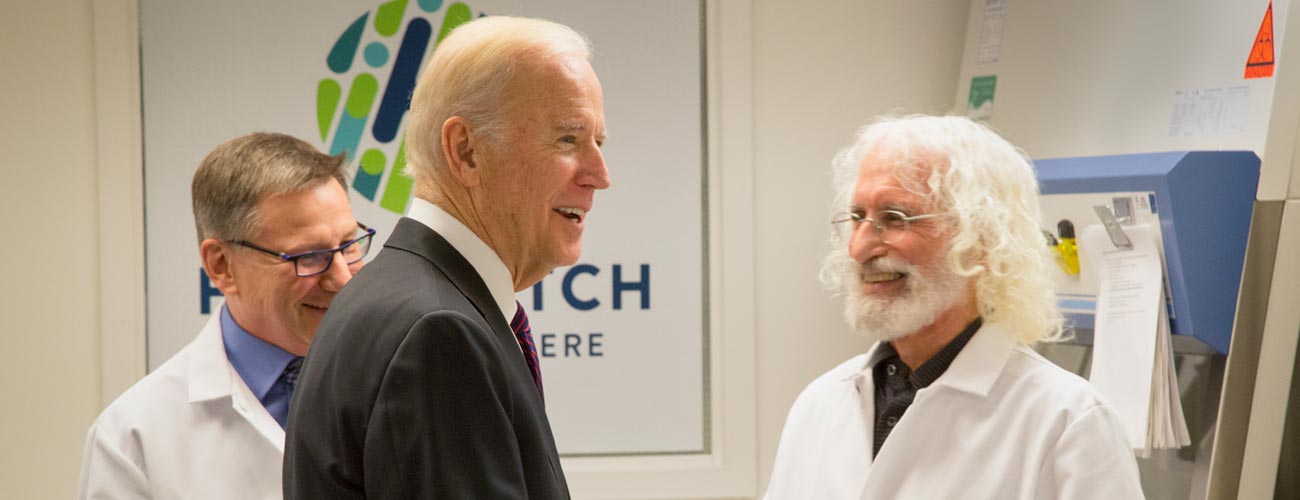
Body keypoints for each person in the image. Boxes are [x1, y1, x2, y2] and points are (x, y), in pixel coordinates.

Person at [283, 15, 609, 500]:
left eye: (598, 143)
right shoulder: (437, 333)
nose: (600, 175)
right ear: (466, 151)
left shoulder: (403, 296)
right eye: (568, 139)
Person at [764, 115, 1144, 499]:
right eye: (858, 217)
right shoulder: (820, 405)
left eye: (895, 218)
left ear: (981, 236)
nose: (860, 248)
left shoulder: (1067, 422)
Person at [76, 132, 371, 499]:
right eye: (308, 256)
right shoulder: (132, 438)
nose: (343, 278)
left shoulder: (398, 386)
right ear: (221, 266)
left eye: (349, 245)